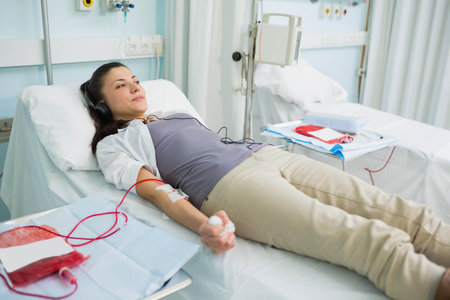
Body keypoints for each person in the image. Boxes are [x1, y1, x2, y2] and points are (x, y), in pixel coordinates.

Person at [81, 62, 449, 300]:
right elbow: (159, 193)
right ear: (101, 105)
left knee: (400, 211)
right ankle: (430, 285)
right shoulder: (115, 145)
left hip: (268, 156)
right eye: (120, 85)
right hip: (230, 187)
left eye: (135, 80)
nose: (134, 87)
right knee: (358, 235)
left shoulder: (171, 114)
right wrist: (205, 225)